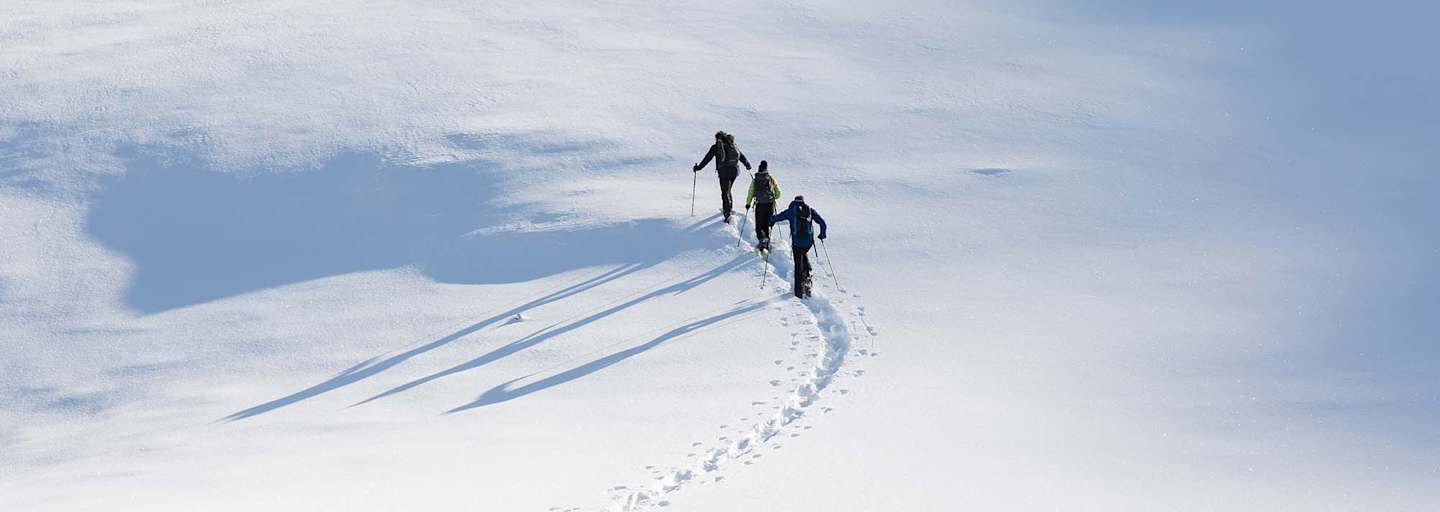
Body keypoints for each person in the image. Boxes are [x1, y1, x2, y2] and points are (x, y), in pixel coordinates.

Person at [769, 195, 827, 298]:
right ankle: (807, 278)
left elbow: (777, 218)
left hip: (797, 243)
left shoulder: (791, 211)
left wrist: (770, 219)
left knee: (798, 266)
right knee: (804, 255)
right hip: (808, 243)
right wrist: (822, 234)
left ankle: (799, 292)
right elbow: (822, 223)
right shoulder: (809, 210)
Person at [693, 131, 751, 223]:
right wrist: (747, 165)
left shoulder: (716, 147)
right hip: (734, 171)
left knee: (725, 192)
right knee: (727, 190)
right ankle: (729, 208)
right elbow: (741, 156)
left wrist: (699, 167)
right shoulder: (732, 145)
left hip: (724, 172)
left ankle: (727, 214)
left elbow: (707, 158)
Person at [744, 160, 782, 251]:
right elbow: (778, 193)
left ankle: (761, 240)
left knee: (759, 224)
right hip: (770, 204)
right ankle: (767, 240)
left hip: (760, 204)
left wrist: (748, 204)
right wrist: (774, 197)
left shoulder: (755, 179)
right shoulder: (771, 178)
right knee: (767, 223)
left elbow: (750, 192)